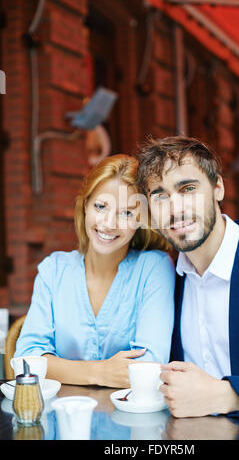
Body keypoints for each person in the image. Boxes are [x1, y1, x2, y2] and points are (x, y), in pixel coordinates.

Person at [137, 135, 239, 430]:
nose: (174, 209)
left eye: (187, 188)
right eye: (160, 195)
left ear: (218, 188)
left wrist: (225, 394)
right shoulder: (167, 281)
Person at [14, 154, 175, 388]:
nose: (109, 224)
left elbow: (149, 366)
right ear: (85, 206)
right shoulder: (53, 270)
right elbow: (26, 362)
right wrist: (99, 372)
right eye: (101, 206)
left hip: (129, 420)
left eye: (127, 213)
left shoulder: (154, 268)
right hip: (61, 417)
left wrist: (57, 367)